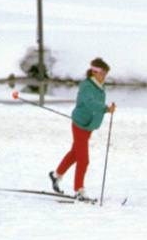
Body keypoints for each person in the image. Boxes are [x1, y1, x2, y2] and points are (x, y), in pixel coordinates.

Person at [49, 58, 116, 202]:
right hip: (79, 125)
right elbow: (90, 103)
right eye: (102, 73)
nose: (104, 76)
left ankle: (56, 175)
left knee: (75, 154)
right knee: (83, 160)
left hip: (88, 125)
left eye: (105, 74)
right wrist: (106, 109)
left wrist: (107, 110)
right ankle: (79, 190)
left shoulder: (100, 86)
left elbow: (97, 105)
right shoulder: (87, 86)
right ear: (94, 72)